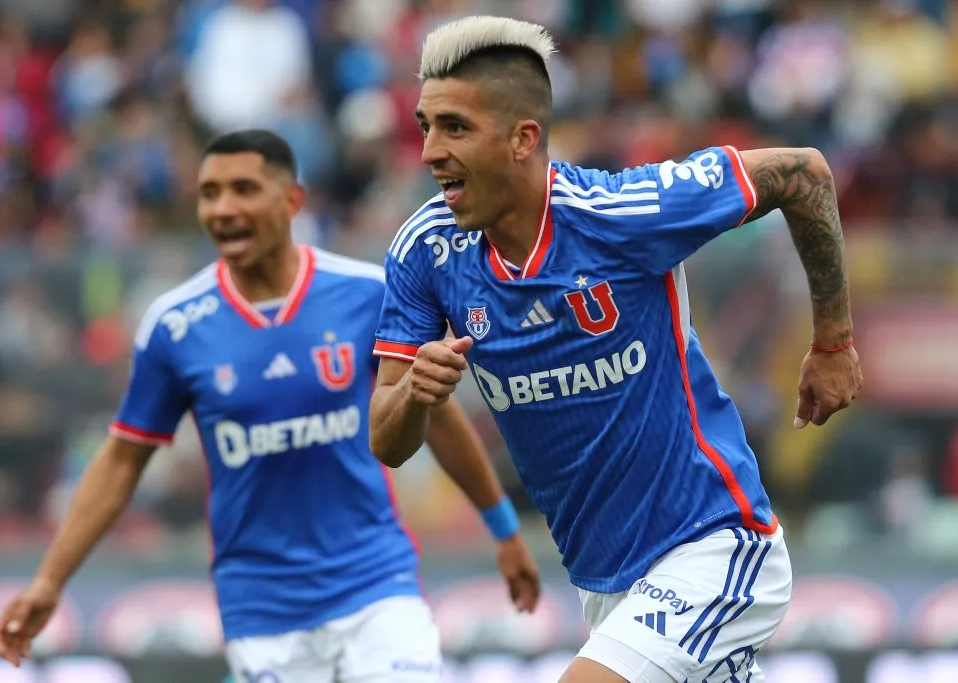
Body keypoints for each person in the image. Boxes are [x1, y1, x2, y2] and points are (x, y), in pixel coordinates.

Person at [368, 15, 863, 683]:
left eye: (454, 127)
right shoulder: (424, 251)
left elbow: (804, 173)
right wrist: (414, 394)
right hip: (605, 584)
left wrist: (832, 342)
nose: (430, 151)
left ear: (522, 138)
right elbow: (387, 439)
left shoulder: (622, 213)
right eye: (426, 126)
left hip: (714, 542)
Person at [0, 130, 541, 683]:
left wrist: (504, 530)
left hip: (375, 585)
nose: (223, 208)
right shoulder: (176, 325)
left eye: (244, 189)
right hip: (261, 608)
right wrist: (49, 582)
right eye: (210, 193)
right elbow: (121, 460)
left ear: (291, 200)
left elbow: (435, 414)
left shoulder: (366, 294)